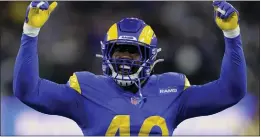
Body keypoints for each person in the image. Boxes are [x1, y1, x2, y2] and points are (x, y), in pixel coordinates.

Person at [13, 1, 247, 136]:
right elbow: (28, 91)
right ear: (106, 54)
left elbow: (231, 91)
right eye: (119, 50)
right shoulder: (85, 90)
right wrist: (30, 33)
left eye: (133, 51)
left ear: (150, 56)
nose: (124, 57)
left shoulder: (172, 90)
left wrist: (232, 34)